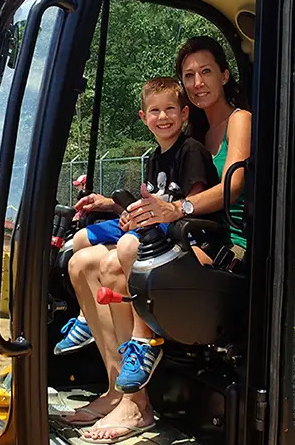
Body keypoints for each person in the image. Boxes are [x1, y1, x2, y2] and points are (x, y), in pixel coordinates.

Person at [72, 37, 252, 444]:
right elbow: (165, 192)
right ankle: (116, 390)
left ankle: (138, 404)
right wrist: (113, 204)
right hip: (184, 236)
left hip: (226, 248)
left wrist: (178, 210)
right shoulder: (194, 131)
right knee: (81, 263)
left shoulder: (239, 119)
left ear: (224, 75)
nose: (198, 81)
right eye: (189, 75)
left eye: (206, 71)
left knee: (119, 261)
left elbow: (234, 186)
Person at [61, 77, 219, 435]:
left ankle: (142, 353)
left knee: (122, 253)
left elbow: (187, 208)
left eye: (169, 110)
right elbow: (152, 205)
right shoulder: (155, 158)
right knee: (79, 258)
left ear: (183, 113)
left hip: (188, 241)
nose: (163, 117)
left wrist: (146, 220)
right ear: (143, 116)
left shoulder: (191, 150)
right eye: (155, 111)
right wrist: (127, 213)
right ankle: (115, 389)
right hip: (156, 233)